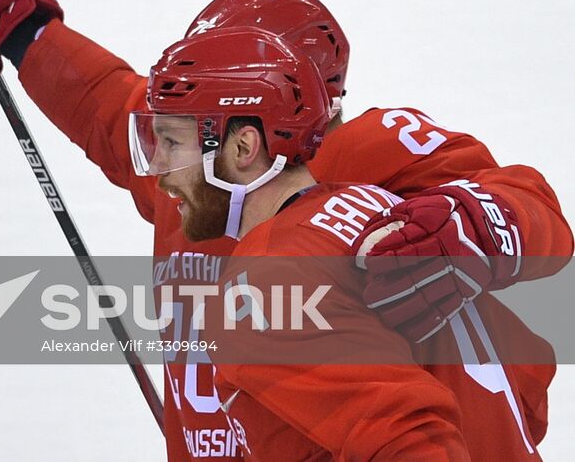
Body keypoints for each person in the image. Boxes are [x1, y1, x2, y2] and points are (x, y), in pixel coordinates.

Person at [0, 0, 569, 459]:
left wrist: (483, 219)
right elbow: (104, 106)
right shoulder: (197, 167)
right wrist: (21, 29)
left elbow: (528, 207)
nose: (158, 160)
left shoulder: (364, 162)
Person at [135, 26, 543, 458]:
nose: (158, 171)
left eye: (172, 142)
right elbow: (531, 370)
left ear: (243, 147)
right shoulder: (381, 207)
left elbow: (411, 446)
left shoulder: (267, 284)